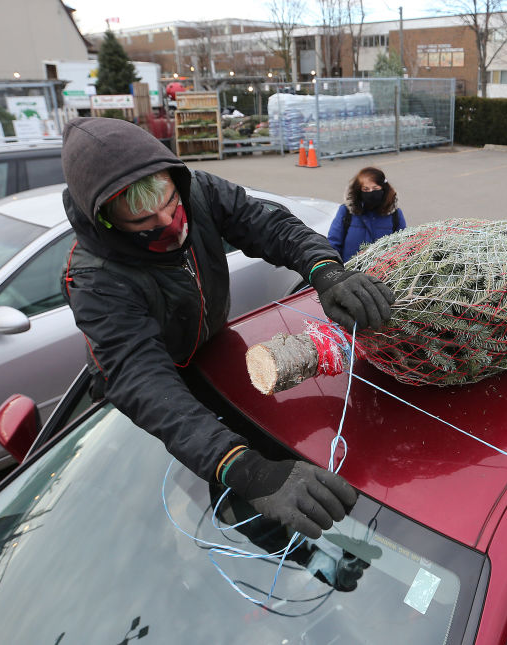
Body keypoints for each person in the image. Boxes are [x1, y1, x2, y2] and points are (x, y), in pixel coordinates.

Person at [59, 117, 394, 539]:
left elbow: (268, 224)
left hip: (216, 355)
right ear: (107, 221)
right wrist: (247, 472)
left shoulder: (198, 190)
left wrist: (324, 270)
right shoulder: (94, 279)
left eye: (170, 203)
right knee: (227, 497)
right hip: (164, 387)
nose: (169, 223)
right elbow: (144, 382)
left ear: (175, 180)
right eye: (145, 221)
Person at [327, 167, 407, 263]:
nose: (371, 192)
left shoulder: (395, 215)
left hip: (382, 271)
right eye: (366, 189)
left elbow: (403, 246)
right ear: (359, 190)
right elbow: (333, 243)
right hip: (350, 270)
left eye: (375, 188)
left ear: (383, 188)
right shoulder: (346, 212)